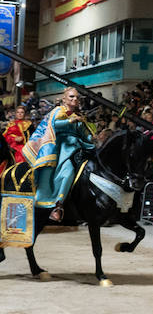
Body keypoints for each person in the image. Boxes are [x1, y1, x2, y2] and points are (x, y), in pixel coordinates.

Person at [22, 88, 95, 222]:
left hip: (78, 146)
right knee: (68, 171)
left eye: (77, 97)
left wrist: (94, 138)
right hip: (62, 146)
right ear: (64, 99)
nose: (75, 99)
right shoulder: (58, 111)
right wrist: (70, 121)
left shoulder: (79, 116)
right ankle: (58, 205)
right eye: (72, 97)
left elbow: (85, 134)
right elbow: (53, 125)